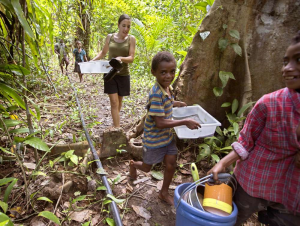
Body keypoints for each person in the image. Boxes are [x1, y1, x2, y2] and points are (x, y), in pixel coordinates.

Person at [208, 32, 300, 226]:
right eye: (286, 62)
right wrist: (222, 164)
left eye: (298, 60)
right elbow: (245, 142)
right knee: (230, 218)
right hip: (253, 182)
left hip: (290, 194)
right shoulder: (269, 104)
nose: (287, 69)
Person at [130, 51, 201, 205]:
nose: (168, 76)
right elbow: (160, 122)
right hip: (154, 139)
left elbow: (166, 103)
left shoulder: (166, 89)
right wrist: (184, 121)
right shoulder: (156, 94)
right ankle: (133, 165)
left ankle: (163, 192)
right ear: (153, 72)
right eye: (163, 72)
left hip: (167, 138)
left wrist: (176, 103)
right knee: (147, 168)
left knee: (171, 164)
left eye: (172, 71)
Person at [92, 14, 136, 127]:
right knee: (114, 102)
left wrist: (120, 58)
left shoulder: (131, 39)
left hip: (123, 74)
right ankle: (117, 128)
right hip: (110, 73)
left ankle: (115, 124)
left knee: (119, 102)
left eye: (128, 26)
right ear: (118, 25)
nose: (126, 29)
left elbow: (131, 58)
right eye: (124, 26)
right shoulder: (110, 37)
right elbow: (103, 53)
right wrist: (92, 61)